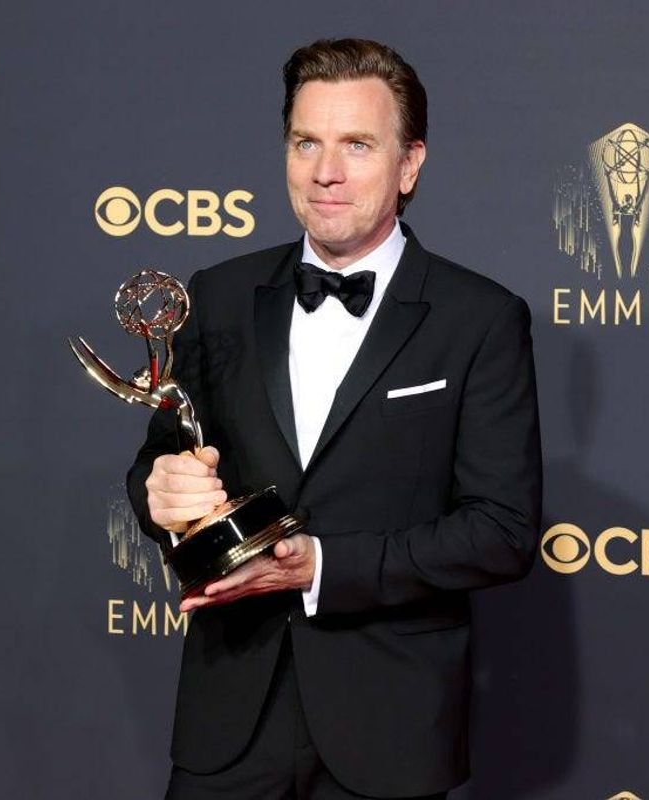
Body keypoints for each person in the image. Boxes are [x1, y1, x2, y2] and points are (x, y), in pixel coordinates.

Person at [127, 38, 542, 800]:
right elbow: (161, 459)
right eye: (306, 142)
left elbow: (502, 530)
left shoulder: (478, 318)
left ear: (409, 164)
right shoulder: (216, 295)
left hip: (389, 729)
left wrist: (322, 566)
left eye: (357, 144)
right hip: (229, 722)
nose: (326, 171)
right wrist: (161, 495)